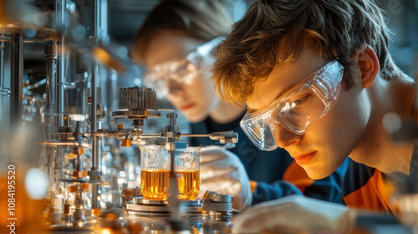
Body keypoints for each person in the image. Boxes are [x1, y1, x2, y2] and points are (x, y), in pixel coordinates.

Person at [211, 0, 418, 234]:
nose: (285, 139)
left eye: (298, 101)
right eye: (266, 121)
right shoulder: (360, 181)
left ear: (362, 67)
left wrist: (347, 226)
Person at [132, 0, 338, 211]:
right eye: (159, 78)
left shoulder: (286, 113)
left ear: (221, 49)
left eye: (182, 68)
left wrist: (250, 195)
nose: (172, 90)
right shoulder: (194, 130)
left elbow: (325, 203)